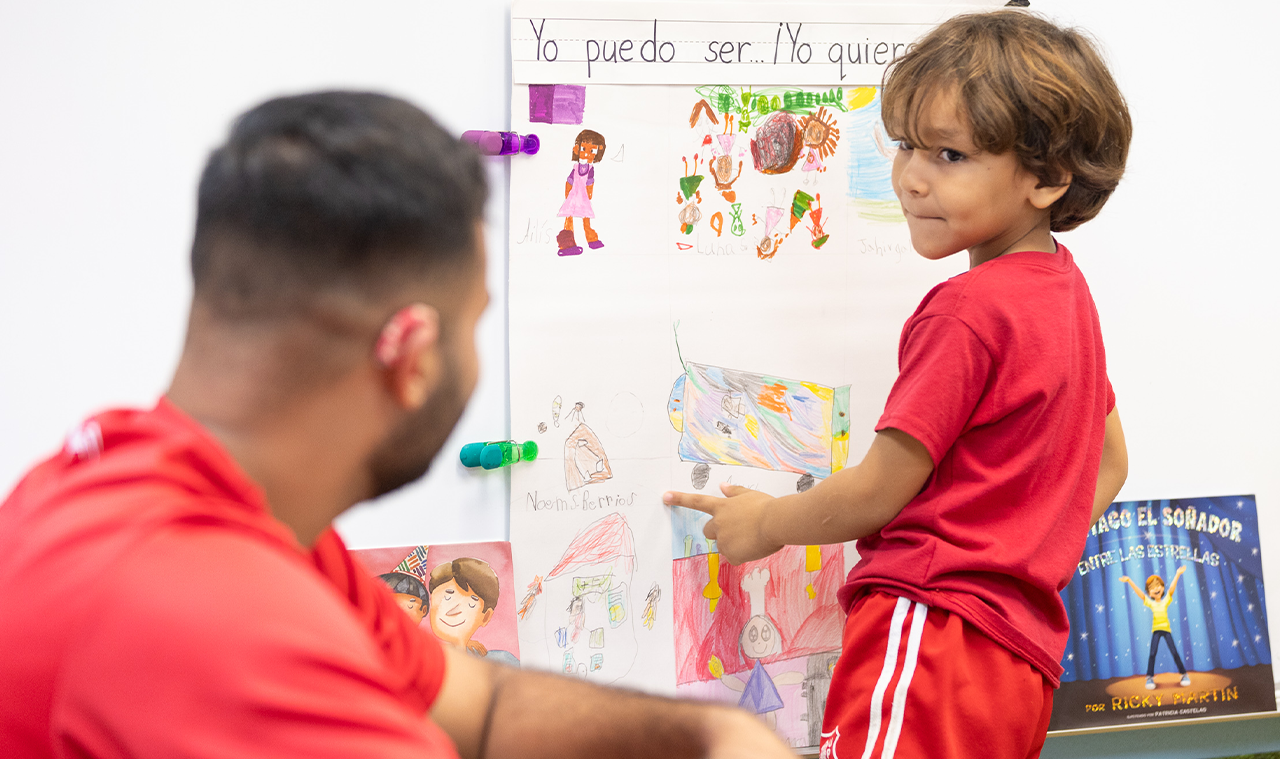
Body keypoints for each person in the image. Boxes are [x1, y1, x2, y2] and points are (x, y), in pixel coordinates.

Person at [0, 91, 792, 759]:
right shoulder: (212, 622)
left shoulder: (163, 495)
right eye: (474, 325)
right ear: (410, 353)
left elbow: (480, 705)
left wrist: (708, 733)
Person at [665, 10, 1132, 758]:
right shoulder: (1064, 295)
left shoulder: (970, 310)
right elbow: (1109, 462)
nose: (912, 176)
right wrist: (1012, 551)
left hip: (932, 632)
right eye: (909, 144)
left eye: (949, 154)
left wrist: (764, 525)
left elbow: (882, 489)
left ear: (1048, 178)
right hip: (1017, 653)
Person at [427, 558, 519, 667]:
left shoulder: (501, 661)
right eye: (448, 596)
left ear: (486, 617)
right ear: (431, 601)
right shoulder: (425, 660)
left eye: (471, 604)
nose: (454, 610)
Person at [1120, 568, 1191, 689]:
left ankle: (1184, 674)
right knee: (1152, 653)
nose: (1156, 589)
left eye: (1158, 586)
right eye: (1152, 588)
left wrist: (1178, 574)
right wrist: (1130, 581)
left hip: (1166, 630)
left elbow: (1172, 589)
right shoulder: (1151, 603)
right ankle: (1149, 677)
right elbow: (1140, 594)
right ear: (1149, 592)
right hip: (1156, 631)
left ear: (1162, 587)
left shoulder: (1166, 600)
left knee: (1174, 652)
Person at [555, 129, 606, 256]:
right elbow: (570, 180)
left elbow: (590, 183)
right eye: (584, 149)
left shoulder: (590, 169)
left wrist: (589, 194)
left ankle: (591, 238)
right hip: (573, 195)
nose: (587, 154)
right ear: (577, 149)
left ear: (597, 153)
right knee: (569, 217)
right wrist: (567, 192)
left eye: (592, 151)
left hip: (583, 197)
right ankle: (568, 244)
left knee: (586, 218)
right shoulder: (576, 167)